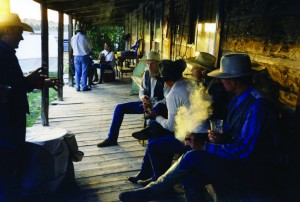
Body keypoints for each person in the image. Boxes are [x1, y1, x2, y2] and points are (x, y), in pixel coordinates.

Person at [119, 54, 280, 202]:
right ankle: (154, 188)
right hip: (233, 158)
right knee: (191, 177)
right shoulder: (237, 100)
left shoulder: (257, 106)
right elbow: (236, 136)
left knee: (192, 156)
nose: (222, 82)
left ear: (234, 81)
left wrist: (205, 146)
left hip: (248, 168)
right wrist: (221, 137)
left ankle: (152, 191)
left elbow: (245, 151)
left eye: (224, 78)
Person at [0, 12, 60, 201]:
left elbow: (13, 84)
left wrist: (38, 82)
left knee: (11, 164)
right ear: (8, 30)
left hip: (10, 117)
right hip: (7, 120)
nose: (22, 37)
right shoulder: (3, 53)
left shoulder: (6, 52)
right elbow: (7, 89)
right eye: (19, 32)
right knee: (9, 164)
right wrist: (29, 81)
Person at [96, 51, 169, 147]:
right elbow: (142, 90)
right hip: (145, 104)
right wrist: (143, 98)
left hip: (157, 108)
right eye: (148, 63)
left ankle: (148, 131)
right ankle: (112, 138)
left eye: (152, 64)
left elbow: (167, 99)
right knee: (120, 108)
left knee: (156, 109)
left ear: (158, 65)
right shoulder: (146, 74)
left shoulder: (165, 79)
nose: (149, 66)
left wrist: (153, 103)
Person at [71, 24, 92, 91]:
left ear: (76, 31)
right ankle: (84, 87)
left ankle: (77, 87)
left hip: (76, 56)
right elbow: (90, 47)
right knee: (84, 72)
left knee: (77, 72)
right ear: (82, 30)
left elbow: (72, 47)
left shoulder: (73, 38)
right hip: (84, 56)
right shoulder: (84, 37)